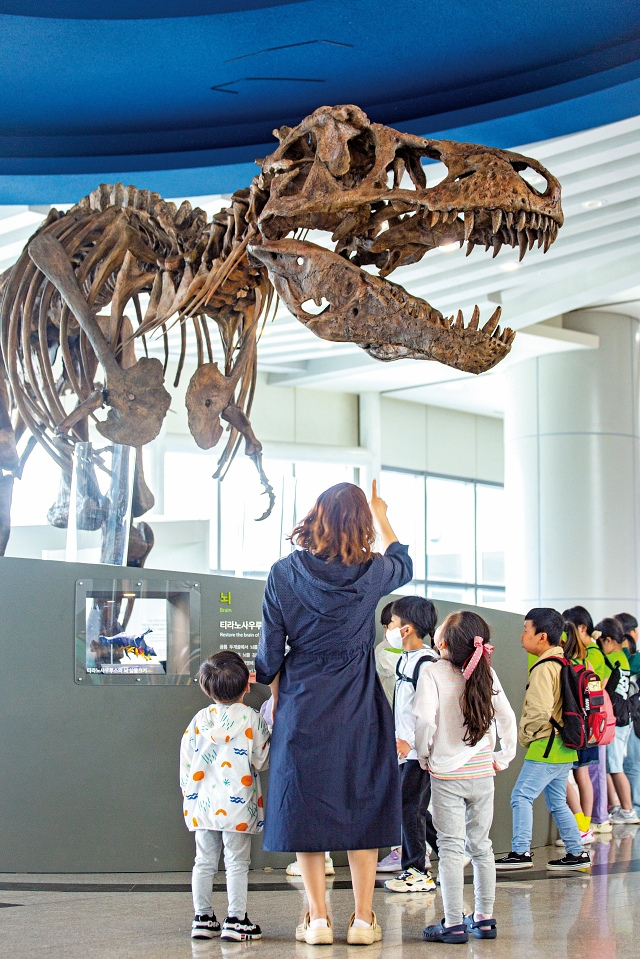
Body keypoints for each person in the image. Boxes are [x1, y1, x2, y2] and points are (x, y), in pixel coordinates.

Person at [255, 480, 412, 946]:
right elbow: (404, 562)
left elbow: (269, 651)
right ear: (360, 523)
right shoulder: (373, 572)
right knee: (363, 799)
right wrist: (382, 514)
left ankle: (318, 919)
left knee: (305, 803)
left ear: (316, 516)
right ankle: (363, 920)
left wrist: (270, 678)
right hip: (359, 699)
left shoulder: (283, 573)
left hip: (304, 699)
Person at [415, 610, 517, 944]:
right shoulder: (487, 672)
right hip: (482, 774)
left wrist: (424, 754)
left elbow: (425, 722)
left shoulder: (432, 672)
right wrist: (503, 755)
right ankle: (485, 918)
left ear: (442, 642)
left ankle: (454, 923)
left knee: (450, 848)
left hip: (446, 775)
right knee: (481, 847)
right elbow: (506, 716)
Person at [180, 651, 270, 942]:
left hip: (201, 805)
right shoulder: (252, 719)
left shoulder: (199, 719)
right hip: (238, 806)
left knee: (203, 862)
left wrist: (190, 796)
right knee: (236, 863)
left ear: (206, 687)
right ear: (247, 686)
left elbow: (185, 763)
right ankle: (236, 919)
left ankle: (203, 918)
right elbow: (261, 760)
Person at [495, 608, 591, 872]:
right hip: (565, 747)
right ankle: (576, 852)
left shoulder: (544, 668)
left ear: (542, 636)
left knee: (521, 796)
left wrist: (525, 736)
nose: (521, 636)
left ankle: (520, 851)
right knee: (557, 802)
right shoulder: (564, 663)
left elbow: (538, 711)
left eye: (526, 630)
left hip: (546, 745)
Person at [383, 595, 439, 894]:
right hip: (406, 753)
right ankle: (449, 847)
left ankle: (416, 869)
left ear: (406, 629)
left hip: (419, 754)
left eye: (392, 623)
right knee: (413, 808)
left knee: (408, 808)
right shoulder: (406, 659)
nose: (388, 628)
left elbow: (430, 715)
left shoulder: (427, 664)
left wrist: (413, 745)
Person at [563, 605, 611, 834]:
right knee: (583, 775)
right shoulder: (594, 658)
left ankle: (581, 827)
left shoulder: (575, 661)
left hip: (575, 725)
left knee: (565, 776)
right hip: (591, 725)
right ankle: (587, 825)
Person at [596, 617, 639, 824]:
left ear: (609, 640)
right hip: (623, 717)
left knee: (615, 767)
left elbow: (601, 684)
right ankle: (617, 806)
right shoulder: (621, 656)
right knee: (613, 765)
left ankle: (628, 810)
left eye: (601, 642)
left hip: (616, 720)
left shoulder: (610, 659)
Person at [375, 600, 404, 874]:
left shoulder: (422, 653)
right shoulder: (383, 652)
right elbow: (395, 669)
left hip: (415, 731)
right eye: (395, 624)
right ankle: (399, 850)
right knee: (399, 791)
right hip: (395, 731)